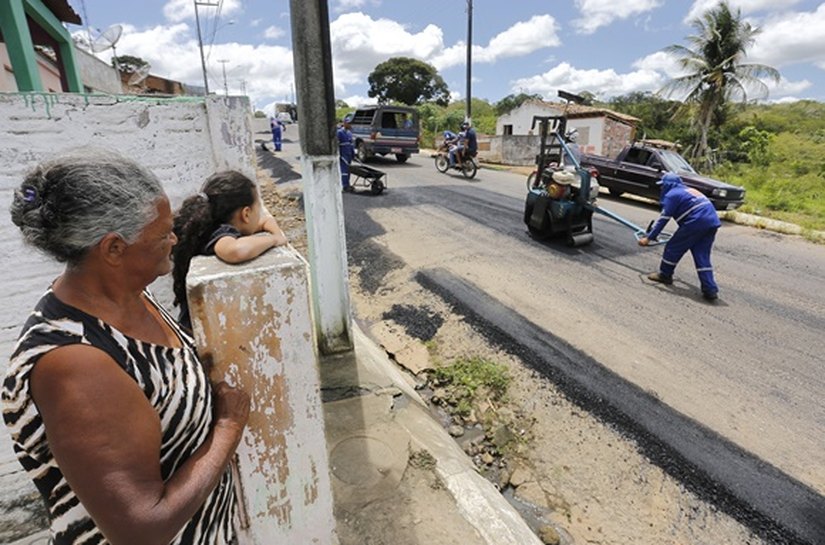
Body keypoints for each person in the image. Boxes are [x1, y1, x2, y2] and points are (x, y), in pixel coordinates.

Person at [4, 150, 250, 544]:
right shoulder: (74, 364)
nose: (174, 238)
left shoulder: (128, 294)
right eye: (162, 233)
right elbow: (143, 527)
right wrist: (228, 426)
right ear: (114, 248)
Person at [172, 170, 288, 331]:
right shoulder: (221, 233)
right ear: (246, 214)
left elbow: (264, 221)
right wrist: (274, 239)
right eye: (258, 208)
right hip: (196, 334)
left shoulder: (208, 225)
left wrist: (273, 229)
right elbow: (235, 251)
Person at [638, 172, 722, 301]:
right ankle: (710, 289)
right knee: (702, 255)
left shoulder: (672, 195)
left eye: (663, 185)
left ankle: (665, 275)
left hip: (696, 222)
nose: (661, 188)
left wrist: (649, 237)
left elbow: (663, 219)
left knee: (673, 248)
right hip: (711, 222)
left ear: (669, 184)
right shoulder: (689, 190)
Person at [337, 114, 355, 192]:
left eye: (351, 123)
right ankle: (344, 186)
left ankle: (348, 184)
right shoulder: (339, 132)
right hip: (343, 154)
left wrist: (353, 154)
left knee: (348, 170)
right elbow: (337, 144)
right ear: (344, 123)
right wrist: (339, 154)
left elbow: (351, 145)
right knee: (344, 171)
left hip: (349, 154)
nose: (350, 125)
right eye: (349, 123)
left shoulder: (349, 133)